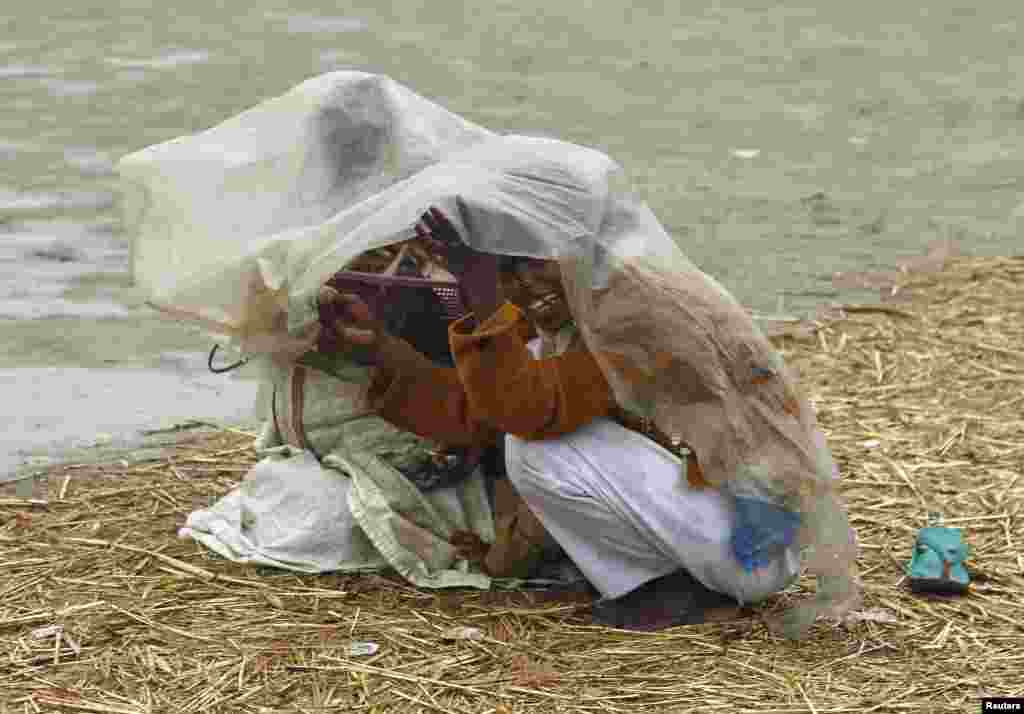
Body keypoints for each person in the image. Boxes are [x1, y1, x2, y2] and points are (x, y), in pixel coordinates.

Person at [317, 207, 801, 631]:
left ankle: (668, 588)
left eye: (534, 262)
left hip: (749, 548)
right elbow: (477, 413)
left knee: (536, 446)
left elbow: (532, 414)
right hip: (714, 538)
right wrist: (379, 347)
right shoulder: (559, 321)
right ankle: (664, 587)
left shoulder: (631, 317)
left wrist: (484, 291)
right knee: (527, 430)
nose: (526, 286)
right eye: (508, 272)